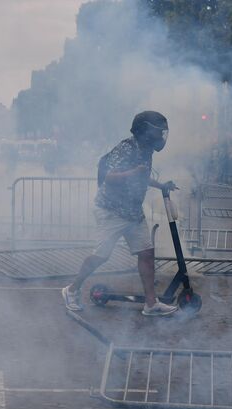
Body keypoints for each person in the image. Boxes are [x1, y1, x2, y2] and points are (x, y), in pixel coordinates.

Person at [62, 111, 178, 316]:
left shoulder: (146, 150)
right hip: (111, 210)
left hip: (132, 211)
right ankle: (71, 290)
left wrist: (161, 186)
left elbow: (142, 176)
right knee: (101, 256)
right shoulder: (127, 148)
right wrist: (134, 172)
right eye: (158, 132)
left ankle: (151, 304)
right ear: (145, 131)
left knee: (146, 253)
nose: (161, 137)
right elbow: (110, 177)